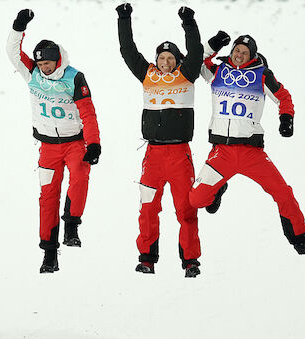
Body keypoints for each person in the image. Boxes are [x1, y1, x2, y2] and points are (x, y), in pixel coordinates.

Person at [190, 32, 305, 255]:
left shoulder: (261, 75)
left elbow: (284, 97)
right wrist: (212, 46)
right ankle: (218, 188)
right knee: (196, 200)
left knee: (283, 192)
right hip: (221, 153)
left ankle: (299, 238)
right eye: (236, 51)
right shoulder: (217, 72)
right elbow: (195, 62)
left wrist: (286, 118)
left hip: (252, 153)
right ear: (231, 51)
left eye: (244, 52)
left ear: (252, 55)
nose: (239, 55)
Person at [116, 3, 212, 278]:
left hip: (179, 153)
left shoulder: (187, 73)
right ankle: (147, 258)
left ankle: (190, 261)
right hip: (153, 156)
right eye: (162, 58)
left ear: (177, 60)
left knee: (186, 209)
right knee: (148, 208)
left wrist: (189, 23)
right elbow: (128, 51)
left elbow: (195, 52)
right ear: (156, 60)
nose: (166, 62)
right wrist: (124, 18)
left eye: (170, 58)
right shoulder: (147, 75)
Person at [6, 9, 101, 273]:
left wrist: (93, 143)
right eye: (40, 65)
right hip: (47, 147)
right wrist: (19, 26)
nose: (44, 68)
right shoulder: (32, 73)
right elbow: (13, 52)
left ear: (58, 59)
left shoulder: (74, 77)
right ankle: (49, 254)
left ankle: (72, 224)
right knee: (48, 198)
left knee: (80, 178)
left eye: (48, 64)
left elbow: (88, 112)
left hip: (74, 143)